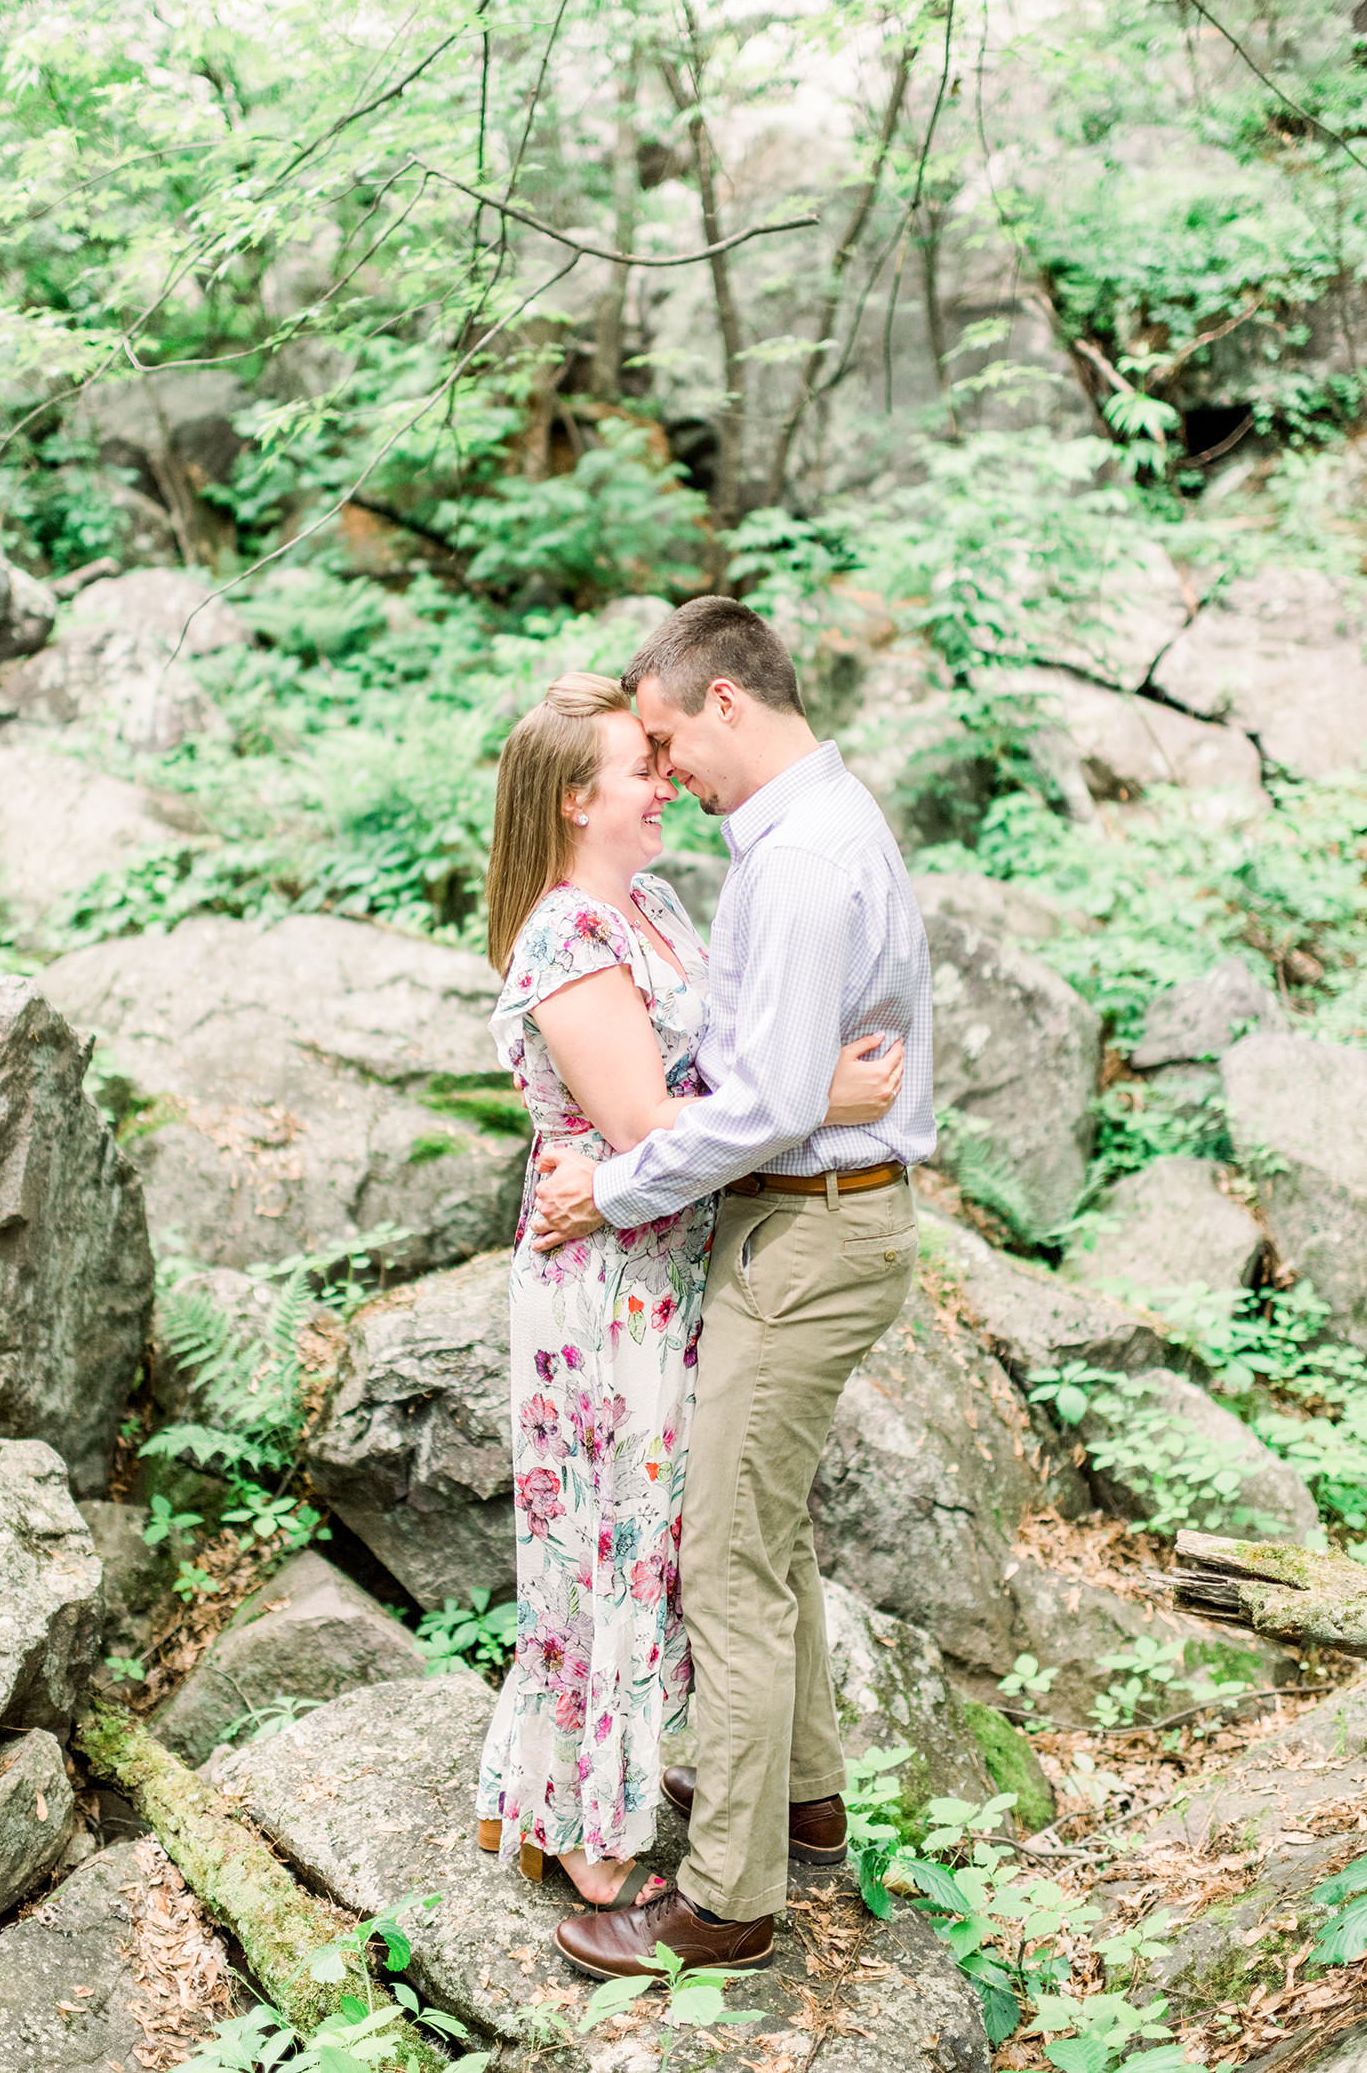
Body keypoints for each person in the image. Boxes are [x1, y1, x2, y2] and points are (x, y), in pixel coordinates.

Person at [529, 600, 935, 1980]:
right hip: (800, 1221)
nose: (665, 771)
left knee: (727, 1567)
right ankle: (800, 1799)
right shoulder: (783, 844)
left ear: (719, 705)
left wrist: (612, 1188)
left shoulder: (805, 859)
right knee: (770, 1538)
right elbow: (759, 1069)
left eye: (663, 738)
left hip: (808, 1235)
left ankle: (725, 1901)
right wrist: (795, 1093)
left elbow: (754, 1097)